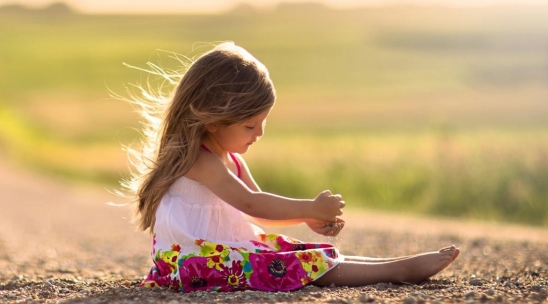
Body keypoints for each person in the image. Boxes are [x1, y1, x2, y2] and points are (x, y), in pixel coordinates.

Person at [121, 42, 459, 293]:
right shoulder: (200, 161)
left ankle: (389, 266)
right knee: (285, 265)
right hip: (194, 264)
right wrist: (309, 206)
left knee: (299, 252)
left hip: (219, 255)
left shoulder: (230, 160)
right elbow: (251, 204)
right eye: (250, 126)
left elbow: (259, 212)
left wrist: (306, 218)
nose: (260, 134)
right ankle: (398, 270)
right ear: (213, 120)